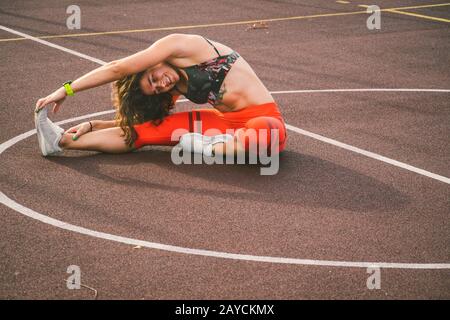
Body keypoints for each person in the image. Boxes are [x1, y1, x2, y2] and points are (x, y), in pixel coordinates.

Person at [34, 33, 287, 158]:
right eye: (157, 89)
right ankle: (60, 142)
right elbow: (145, 124)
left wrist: (66, 89)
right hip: (223, 124)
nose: (161, 84)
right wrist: (95, 124)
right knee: (143, 132)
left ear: (151, 65)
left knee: (265, 134)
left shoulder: (181, 46)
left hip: (262, 118)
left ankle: (214, 147)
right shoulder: (173, 87)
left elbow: (117, 68)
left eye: (153, 79)